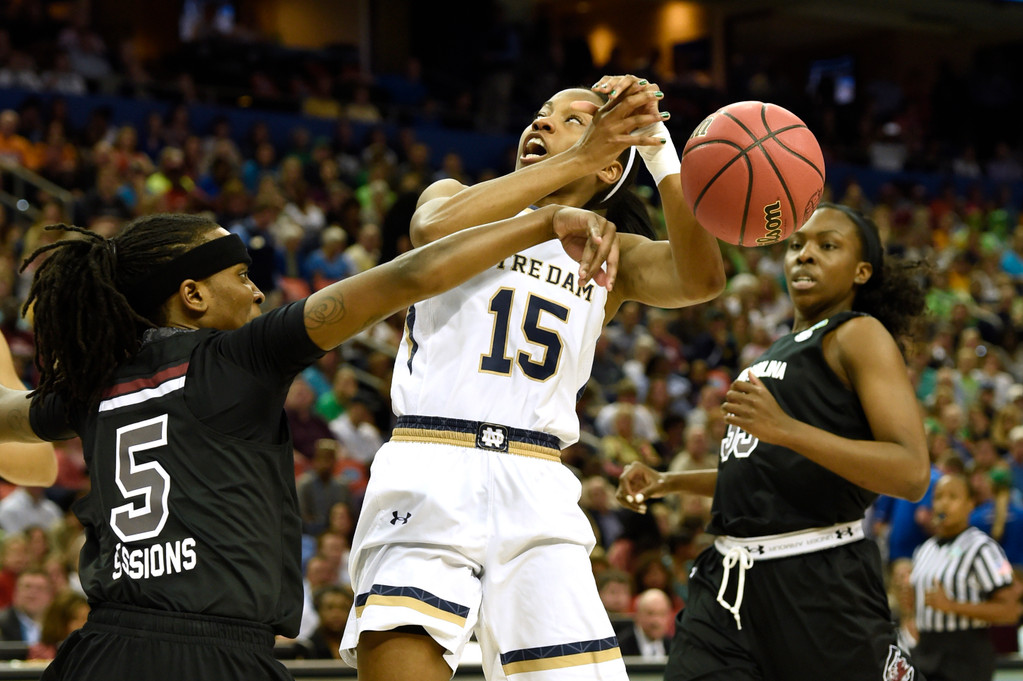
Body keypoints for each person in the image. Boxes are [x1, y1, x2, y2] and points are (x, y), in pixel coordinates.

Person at [0, 206, 618, 681]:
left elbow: (9, 417)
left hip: (101, 647)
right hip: (214, 652)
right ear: (192, 294)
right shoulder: (243, 356)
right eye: (241, 276)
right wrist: (541, 219)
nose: (258, 293)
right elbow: (416, 273)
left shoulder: (91, 386)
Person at [341, 74, 725, 681]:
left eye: (573, 119)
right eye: (541, 112)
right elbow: (429, 231)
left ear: (609, 171)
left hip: (537, 478)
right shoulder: (456, 197)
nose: (542, 122)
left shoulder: (611, 251)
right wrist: (577, 158)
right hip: (431, 460)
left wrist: (658, 150)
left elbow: (702, 278)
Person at [617, 203, 932, 679]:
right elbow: (764, 468)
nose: (805, 255)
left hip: (818, 580)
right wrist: (668, 481)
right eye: (797, 245)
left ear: (861, 271)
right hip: (728, 582)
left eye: (828, 246)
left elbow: (910, 473)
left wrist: (787, 429)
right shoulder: (777, 351)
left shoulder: (858, 334)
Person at [910, 473, 1022, 681]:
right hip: (924, 651)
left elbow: (1010, 611)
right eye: (939, 497)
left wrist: (952, 606)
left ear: (970, 504)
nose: (944, 503)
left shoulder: (984, 548)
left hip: (965, 656)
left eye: (953, 497)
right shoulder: (924, 549)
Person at [615, 588, 673, 659]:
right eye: (650, 613)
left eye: (662, 614)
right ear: (638, 615)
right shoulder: (620, 646)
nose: (656, 621)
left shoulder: (675, 646)